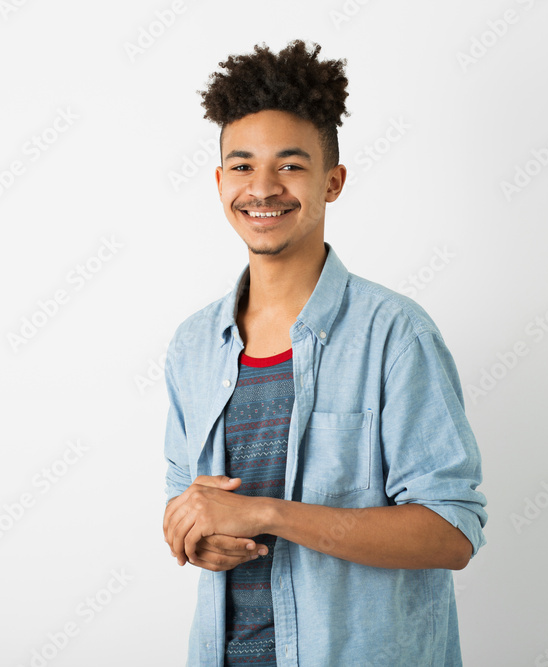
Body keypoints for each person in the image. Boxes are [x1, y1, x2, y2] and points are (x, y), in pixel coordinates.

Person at [161, 39, 488, 667]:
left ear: (332, 181)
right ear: (219, 181)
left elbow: (451, 533)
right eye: (241, 165)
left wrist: (267, 513)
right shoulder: (193, 347)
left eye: (290, 165)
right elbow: (188, 504)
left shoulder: (396, 335)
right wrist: (198, 537)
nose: (262, 188)